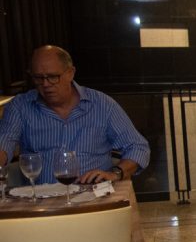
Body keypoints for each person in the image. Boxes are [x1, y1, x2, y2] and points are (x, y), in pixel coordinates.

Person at [0, 45, 149, 183]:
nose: (45, 84)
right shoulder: (20, 106)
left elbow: (138, 147)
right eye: (38, 78)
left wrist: (116, 173)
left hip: (94, 197)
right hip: (42, 202)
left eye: (53, 77)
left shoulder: (101, 104)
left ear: (70, 73)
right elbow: (5, 143)